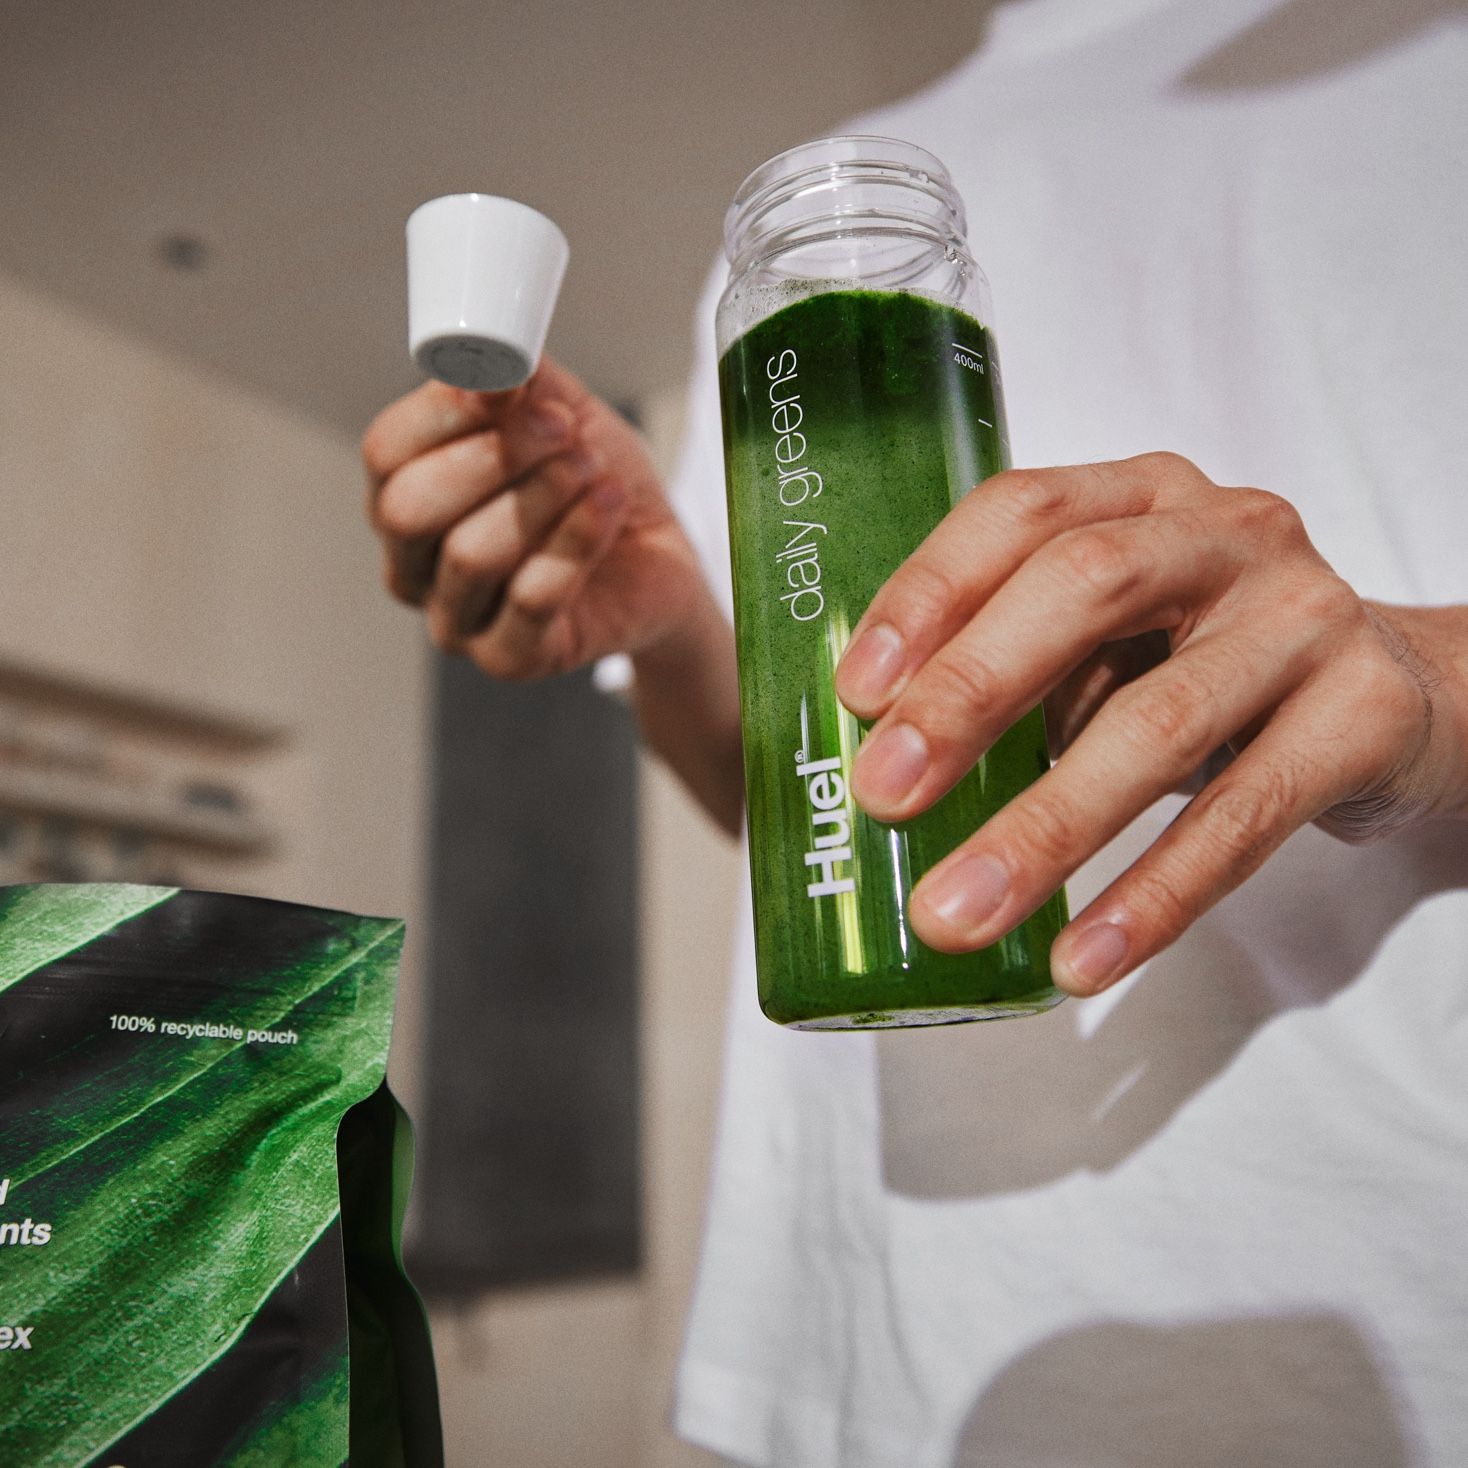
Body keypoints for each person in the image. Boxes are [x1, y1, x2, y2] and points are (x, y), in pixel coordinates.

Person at [363, 0, 1468, 1462]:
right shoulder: (803, 204)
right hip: (856, 1343)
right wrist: (680, 622)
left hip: (1364, 1319)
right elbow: (806, 792)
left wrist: (1427, 679)